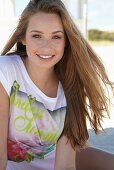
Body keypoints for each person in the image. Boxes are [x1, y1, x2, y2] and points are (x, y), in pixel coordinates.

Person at [0, 0, 113, 169]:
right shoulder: (5, 71)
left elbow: (65, 164)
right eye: (37, 35)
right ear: (23, 38)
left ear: (66, 41)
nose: (46, 47)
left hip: (58, 158)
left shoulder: (71, 83)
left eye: (56, 36)